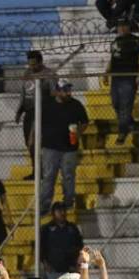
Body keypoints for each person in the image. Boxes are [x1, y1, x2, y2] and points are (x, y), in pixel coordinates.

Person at [38, 80, 89, 214]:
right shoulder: (47, 105)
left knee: (68, 176)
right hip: (50, 147)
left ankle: (68, 203)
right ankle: (44, 205)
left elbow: (84, 122)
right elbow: (37, 122)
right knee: (49, 176)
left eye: (69, 90)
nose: (68, 93)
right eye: (65, 90)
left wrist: (78, 133)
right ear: (57, 91)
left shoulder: (76, 105)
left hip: (69, 147)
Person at [104, 17, 139, 144]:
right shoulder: (115, 41)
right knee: (116, 103)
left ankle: (122, 132)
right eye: (119, 26)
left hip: (129, 77)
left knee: (125, 106)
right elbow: (112, 59)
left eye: (124, 25)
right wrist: (106, 73)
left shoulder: (136, 41)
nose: (121, 28)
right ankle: (131, 124)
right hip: (116, 78)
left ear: (129, 27)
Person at [15, 51, 55, 172]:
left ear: (40, 62)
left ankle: (41, 170)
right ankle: (35, 170)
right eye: (30, 64)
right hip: (28, 111)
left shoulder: (49, 74)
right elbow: (24, 92)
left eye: (34, 64)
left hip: (42, 112)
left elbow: (54, 93)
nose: (31, 67)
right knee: (28, 143)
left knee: (35, 142)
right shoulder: (27, 73)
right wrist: (19, 110)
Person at [40, 202, 84, 279]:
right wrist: (45, 263)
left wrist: (78, 263)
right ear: (53, 213)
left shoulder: (72, 228)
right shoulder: (46, 229)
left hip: (70, 268)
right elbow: (41, 248)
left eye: (63, 210)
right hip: (53, 268)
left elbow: (79, 245)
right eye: (59, 211)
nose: (62, 213)